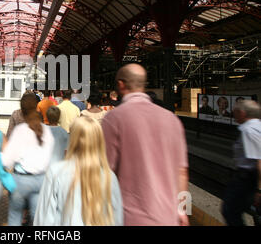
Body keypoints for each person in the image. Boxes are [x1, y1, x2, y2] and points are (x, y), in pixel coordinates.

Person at [102, 64, 189, 226]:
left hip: (130, 218)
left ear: (121, 84)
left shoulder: (114, 118)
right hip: (168, 217)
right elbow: (182, 172)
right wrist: (183, 210)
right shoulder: (172, 120)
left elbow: (105, 171)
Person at [34, 116, 123, 226]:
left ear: (73, 139)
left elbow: (44, 219)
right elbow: (116, 218)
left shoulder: (56, 172)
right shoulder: (110, 177)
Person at [1, 93, 55, 226]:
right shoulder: (46, 130)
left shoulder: (20, 130)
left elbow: (7, 160)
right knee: (38, 219)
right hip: (41, 180)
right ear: (37, 106)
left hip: (21, 180)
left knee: (15, 216)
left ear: (22, 108)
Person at [222, 100, 261, 226]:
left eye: (235, 111)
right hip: (248, 178)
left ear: (242, 113)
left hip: (247, 178)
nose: (233, 114)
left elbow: (259, 161)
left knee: (230, 210)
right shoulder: (256, 126)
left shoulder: (249, 130)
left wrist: (259, 190)